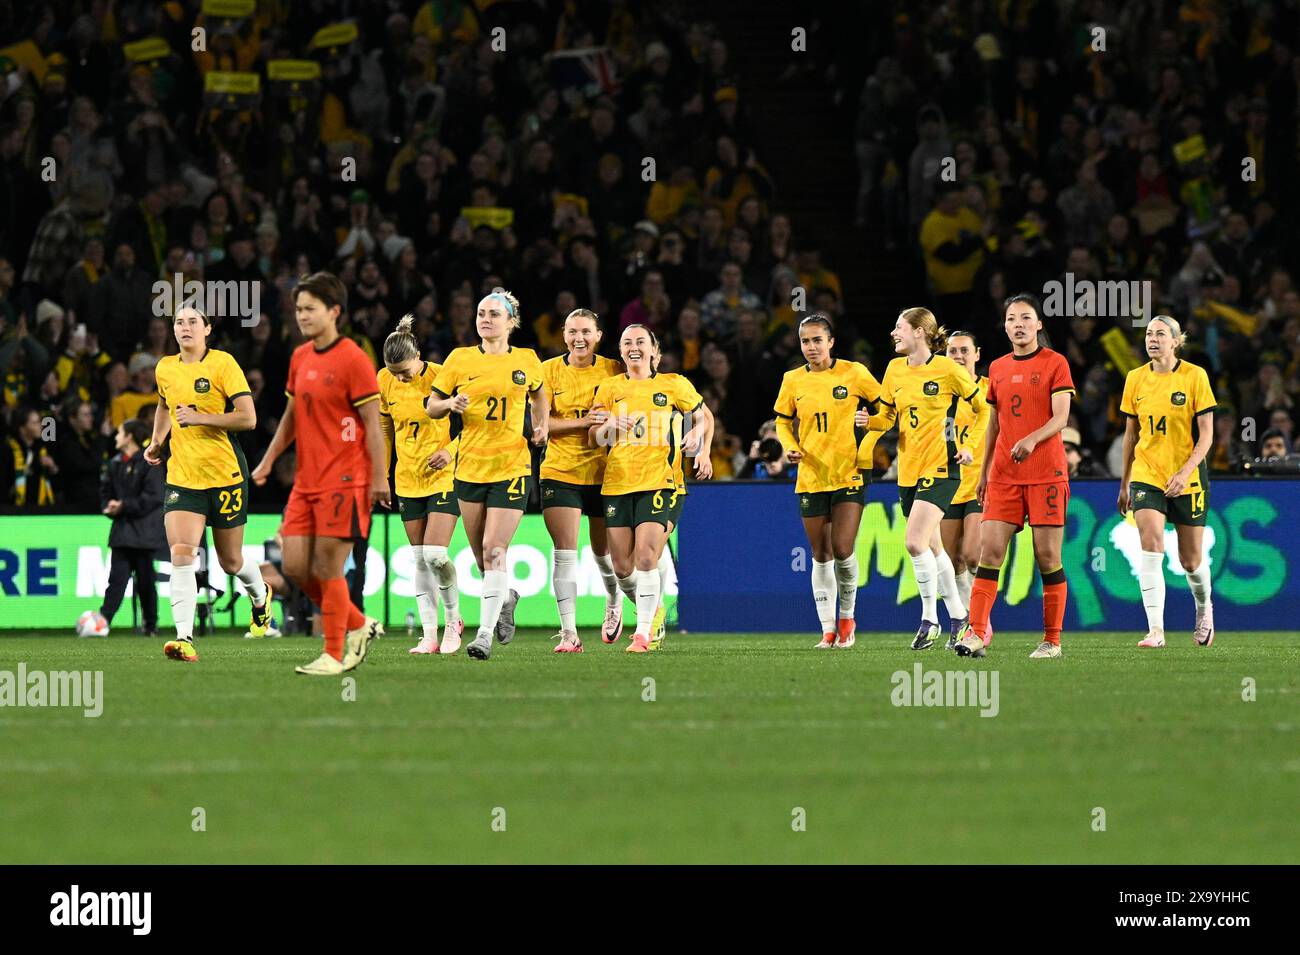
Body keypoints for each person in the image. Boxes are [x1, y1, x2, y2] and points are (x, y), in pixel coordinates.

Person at [251, 272, 389, 675]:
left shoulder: (354, 360)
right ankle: (359, 624)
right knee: (293, 567)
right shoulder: (300, 357)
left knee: (328, 569)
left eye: (310, 308)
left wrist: (379, 479)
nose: (302, 316)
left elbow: (374, 424)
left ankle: (334, 653)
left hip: (345, 480)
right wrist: (269, 459)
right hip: (306, 482)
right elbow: (293, 416)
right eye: (298, 309)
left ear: (334, 311)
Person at [426, 288, 548, 661]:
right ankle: (507, 596)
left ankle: (482, 635)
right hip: (470, 468)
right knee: (483, 558)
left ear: (511, 322)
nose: (485, 318)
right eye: (481, 312)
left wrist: (540, 425)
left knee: (496, 551)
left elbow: (540, 394)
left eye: (494, 314)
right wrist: (449, 403)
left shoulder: (527, 359)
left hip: (511, 467)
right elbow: (432, 406)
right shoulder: (460, 359)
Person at [146, 302, 272, 663]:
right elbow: (163, 405)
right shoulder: (165, 368)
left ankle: (260, 594)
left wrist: (201, 417)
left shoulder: (223, 364)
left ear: (207, 329)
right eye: (178, 322)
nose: (184, 327)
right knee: (182, 552)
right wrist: (157, 440)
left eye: (192, 322)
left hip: (225, 474)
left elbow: (248, 418)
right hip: (183, 477)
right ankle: (184, 638)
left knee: (231, 561)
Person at [957, 294, 1075, 660]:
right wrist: (984, 472)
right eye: (1012, 319)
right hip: (1004, 476)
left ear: (1039, 324)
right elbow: (994, 423)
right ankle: (976, 633)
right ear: (1005, 326)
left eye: (1026, 317)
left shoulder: (1056, 363)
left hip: (1046, 474)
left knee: (1047, 556)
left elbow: (1061, 418)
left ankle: (1051, 641)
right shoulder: (997, 367)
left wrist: (1032, 438)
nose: (1019, 324)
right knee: (988, 552)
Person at [861, 308, 983, 651]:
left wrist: (970, 446)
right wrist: (866, 421)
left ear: (919, 332)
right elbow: (886, 417)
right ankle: (959, 617)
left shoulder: (947, 369)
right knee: (932, 546)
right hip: (909, 470)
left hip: (942, 467)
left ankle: (929, 619)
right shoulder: (894, 369)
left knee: (914, 542)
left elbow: (983, 408)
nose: (893, 332)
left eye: (899, 327)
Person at [589, 324, 712, 652]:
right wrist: (608, 427)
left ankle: (643, 633)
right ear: (621, 351)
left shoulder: (674, 385)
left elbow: (704, 418)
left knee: (645, 556)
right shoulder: (609, 388)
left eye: (641, 341)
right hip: (617, 483)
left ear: (654, 352)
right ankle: (653, 610)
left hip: (661, 481)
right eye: (627, 341)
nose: (634, 347)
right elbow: (594, 438)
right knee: (622, 567)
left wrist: (702, 445)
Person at [774, 313, 880, 649]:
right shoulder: (793, 380)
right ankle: (827, 629)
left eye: (818, 340)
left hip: (849, 471)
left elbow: (888, 410)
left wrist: (871, 420)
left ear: (831, 342)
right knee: (820, 553)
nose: (811, 347)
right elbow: (781, 423)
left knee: (843, 548)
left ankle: (847, 618)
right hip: (811, 475)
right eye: (805, 341)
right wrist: (789, 447)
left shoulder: (854, 373)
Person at [1117, 315, 1217, 647]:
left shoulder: (1195, 376)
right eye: (1149, 334)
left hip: (1187, 476)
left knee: (1191, 561)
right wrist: (1125, 481)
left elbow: (1206, 437)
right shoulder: (1134, 379)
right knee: (1151, 545)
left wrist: (1185, 472)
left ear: (1176, 341)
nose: (1153, 339)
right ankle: (1156, 631)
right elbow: (1131, 435)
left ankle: (1204, 607)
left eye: (1160, 334)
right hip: (1147, 474)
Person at [378, 314, 463, 656]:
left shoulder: (442, 376)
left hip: (443, 474)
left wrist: (449, 450)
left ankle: (454, 620)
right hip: (407, 478)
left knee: (435, 554)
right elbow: (385, 428)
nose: (400, 378)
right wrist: (383, 473)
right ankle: (429, 633)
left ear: (418, 357)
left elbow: (471, 426)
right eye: (394, 372)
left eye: (405, 372)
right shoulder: (383, 380)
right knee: (418, 559)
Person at [539, 308, 622, 653]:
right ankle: (569, 633)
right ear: (563, 334)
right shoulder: (546, 371)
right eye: (573, 332)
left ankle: (614, 597)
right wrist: (584, 422)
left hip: (605, 474)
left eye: (586, 331)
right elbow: (541, 426)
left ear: (599, 335)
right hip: (560, 471)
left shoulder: (614, 370)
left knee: (604, 554)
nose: (579, 338)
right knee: (565, 553)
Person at [938, 330, 989, 647]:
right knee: (949, 560)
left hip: (982, 486)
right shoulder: (939, 395)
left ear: (977, 354)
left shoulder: (988, 390)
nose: (958, 356)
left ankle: (977, 623)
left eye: (964, 350)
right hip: (945, 486)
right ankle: (963, 624)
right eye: (952, 351)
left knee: (972, 556)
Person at [98, 419, 164, 635]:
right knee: (116, 581)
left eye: (119, 433)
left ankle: (150, 626)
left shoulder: (149, 462)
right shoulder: (114, 464)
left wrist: (123, 506)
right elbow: (105, 492)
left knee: (146, 583)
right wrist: (108, 506)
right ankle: (103, 622)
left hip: (144, 533)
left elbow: (154, 497)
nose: (115, 437)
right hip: (122, 533)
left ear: (129, 437)